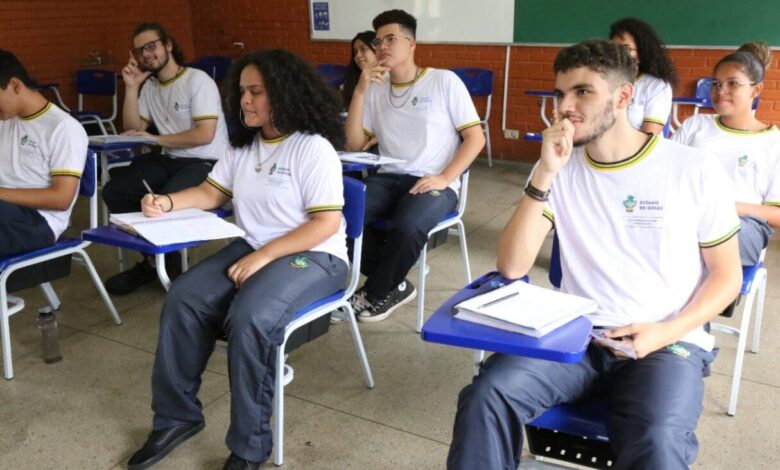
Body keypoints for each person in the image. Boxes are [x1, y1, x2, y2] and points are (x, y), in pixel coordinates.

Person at [447, 40, 742, 470]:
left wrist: (665, 332)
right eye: (560, 94)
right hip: (577, 335)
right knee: (485, 396)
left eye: (583, 91)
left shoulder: (691, 168)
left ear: (623, 96)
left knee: (658, 440)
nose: (565, 107)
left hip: (665, 341)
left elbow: (727, 277)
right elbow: (512, 265)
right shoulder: (560, 169)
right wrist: (545, 173)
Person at [125, 49, 348, 470]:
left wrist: (264, 255)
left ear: (284, 94)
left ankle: (249, 448)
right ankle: (176, 418)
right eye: (242, 91)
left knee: (251, 318)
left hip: (314, 256)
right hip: (255, 248)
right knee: (184, 297)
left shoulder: (312, 148)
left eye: (256, 92)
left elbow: (325, 223)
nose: (244, 100)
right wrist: (166, 202)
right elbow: (211, 193)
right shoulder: (244, 146)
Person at [344, 9, 485, 322]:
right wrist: (360, 91)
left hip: (433, 181)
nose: (382, 47)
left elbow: (475, 138)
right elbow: (354, 144)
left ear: (411, 44)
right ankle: (393, 282)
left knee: (408, 225)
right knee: (336, 216)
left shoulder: (443, 81)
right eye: (378, 41)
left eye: (391, 39)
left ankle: (375, 293)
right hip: (387, 178)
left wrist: (445, 177)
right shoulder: (375, 89)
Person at [102, 22, 229, 295]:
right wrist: (132, 87)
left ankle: (172, 270)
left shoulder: (197, 80)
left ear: (168, 45)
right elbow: (132, 129)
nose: (146, 55)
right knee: (116, 191)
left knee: (165, 201)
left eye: (151, 46)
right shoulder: (149, 87)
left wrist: (156, 139)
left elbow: (205, 134)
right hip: (171, 159)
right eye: (140, 51)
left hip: (208, 162)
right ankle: (152, 261)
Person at [673, 42, 777, 268]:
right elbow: (664, 170)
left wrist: (722, 205)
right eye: (716, 84)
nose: (721, 91)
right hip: (687, 214)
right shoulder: (695, 125)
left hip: (742, 224)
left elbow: (777, 215)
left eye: (733, 84)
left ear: (756, 90)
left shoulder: (773, 142)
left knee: (713, 240)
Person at [0, 49, 88, 257]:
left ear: (15, 85)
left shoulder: (63, 128)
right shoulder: (5, 120)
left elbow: (61, 199)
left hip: (39, 222)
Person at [610, 17, 677, 135]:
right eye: (613, 48)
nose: (617, 54)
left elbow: (649, 136)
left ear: (642, 53)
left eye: (626, 49)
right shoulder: (600, 81)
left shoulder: (656, 86)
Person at [342, 30, 379, 152]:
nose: (358, 55)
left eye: (363, 49)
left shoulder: (390, 81)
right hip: (359, 140)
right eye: (355, 52)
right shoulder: (355, 83)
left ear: (377, 50)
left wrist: (382, 136)